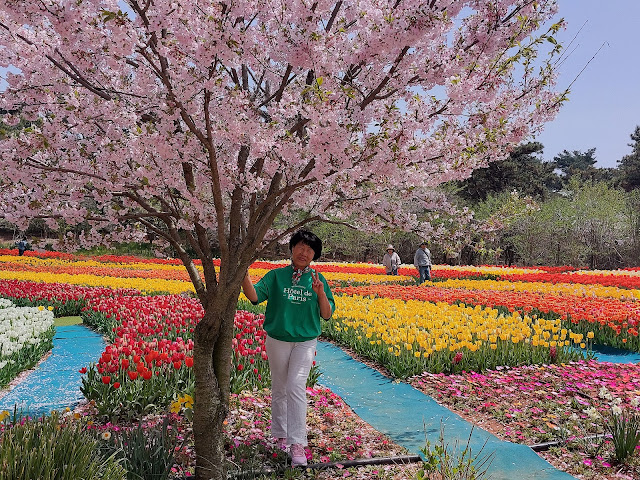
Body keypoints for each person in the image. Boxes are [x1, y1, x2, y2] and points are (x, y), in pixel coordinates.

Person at [242, 229, 335, 467]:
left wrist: (321, 294)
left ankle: (297, 443)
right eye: (300, 247)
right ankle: (280, 435)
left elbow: (326, 315)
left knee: (295, 385)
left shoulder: (317, 279)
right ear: (292, 249)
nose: (304, 253)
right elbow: (254, 296)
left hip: (305, 340)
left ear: (315, 254)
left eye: (310, 249)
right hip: (278, 339)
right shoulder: (276, 277)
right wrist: (242, 272)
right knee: (280, 387)